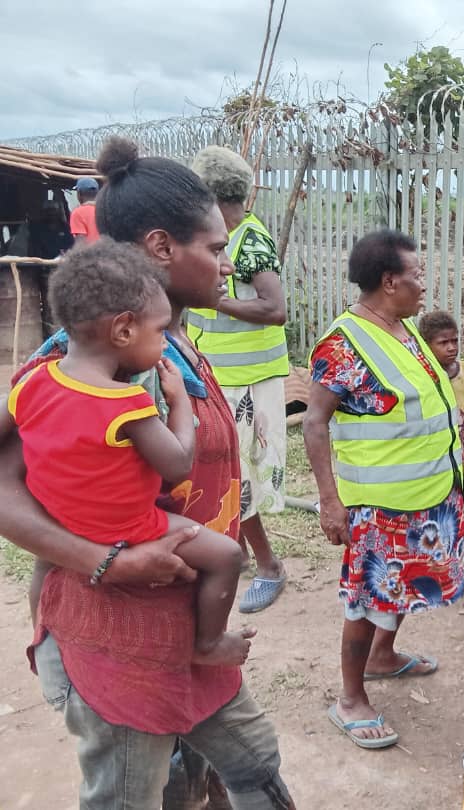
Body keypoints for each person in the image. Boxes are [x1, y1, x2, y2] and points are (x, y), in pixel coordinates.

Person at [0, 136, 293, 809]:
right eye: (215, 250)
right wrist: (105, 560)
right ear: (162, 248)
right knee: (137, 792)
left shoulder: (175, 344)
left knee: (244, 768)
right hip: (119, 635)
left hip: (184, 627)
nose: (226, 266)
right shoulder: (80, 372)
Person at [5, 241, 246, 666]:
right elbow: (178, 462)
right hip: (126, 525)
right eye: (160, 332)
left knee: (48, 567)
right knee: (227, 556)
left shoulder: (33, 381)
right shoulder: (126, 403)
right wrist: (181, 403)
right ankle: (208, 645)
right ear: (123, 331)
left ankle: (43, 637)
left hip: (61, 522)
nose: (164, 343)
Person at [303, 229, 464, 750]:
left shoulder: (404, 329)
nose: (424, 284)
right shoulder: (342, 345)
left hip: (425, 496)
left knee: (408, 585)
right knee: (367, 599)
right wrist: (330, 501)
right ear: (390, 280)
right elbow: (314, 424)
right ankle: (350, 698)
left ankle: (383, 657)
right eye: (417, 275)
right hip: (378, 507)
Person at [188, 145, 289, 614]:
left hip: (247, 379)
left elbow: (275, 310)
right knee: (222, 472)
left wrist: (215, 302)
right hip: (213, 373)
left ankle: (269, 566)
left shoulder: (248, 241)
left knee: (239, 476)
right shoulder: (213, 236)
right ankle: (241, 552)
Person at [419, 309, 464, 583]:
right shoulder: (425, 378)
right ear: (427, 345)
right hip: (438, 458)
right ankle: (436, 559)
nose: (450, 347)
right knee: (438, 509)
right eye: (442, 342)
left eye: (454, 341)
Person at [69, 177, 101, 244]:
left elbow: (81, 243)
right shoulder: (107, 209)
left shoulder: (78, 213)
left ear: (79, 194)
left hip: (91, 253)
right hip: (111, 252)